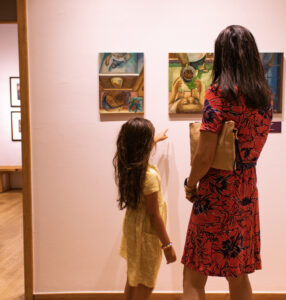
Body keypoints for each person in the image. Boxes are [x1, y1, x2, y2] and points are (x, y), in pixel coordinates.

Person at [182, 25, 273, 300]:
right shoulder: (264, 97)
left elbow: (204, 155)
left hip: (216, 190)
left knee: (194, 274)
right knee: (238, 272)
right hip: (246, 190)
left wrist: (191, 183)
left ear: (222, 55)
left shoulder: (218, 94)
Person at [113, 118, 177, 300]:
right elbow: (154, 215)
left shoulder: (129, 165)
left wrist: (155, 139)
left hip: (133, 229)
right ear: (144, 145)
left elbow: (137, 148)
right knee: (146, 281)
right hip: (146, 233)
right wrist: (167, 245)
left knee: (133, 276)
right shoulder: (148, 176)